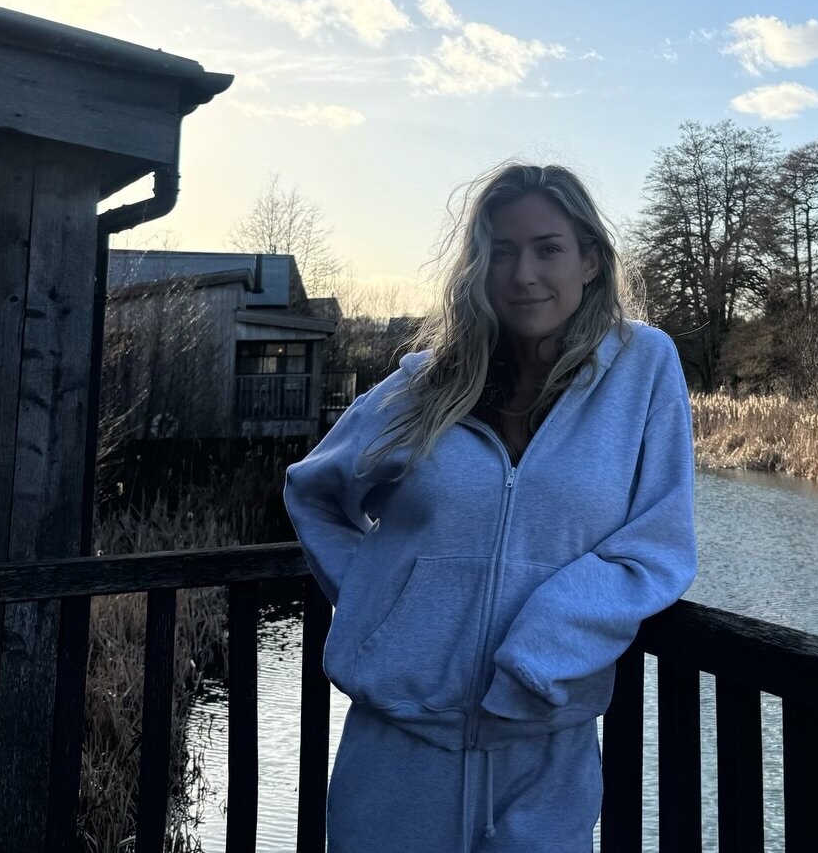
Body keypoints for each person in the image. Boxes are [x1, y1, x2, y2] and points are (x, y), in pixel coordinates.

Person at [284, 162, 698, 852]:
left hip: (547, 752)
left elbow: (658, 544)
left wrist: (543, 647)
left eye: (547, 248)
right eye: (502, 251)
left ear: (590, 260)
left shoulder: (643, 367)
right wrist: (380, 602)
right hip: (396, 750)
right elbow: (315, 492)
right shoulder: (426, 384)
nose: (523, 273)